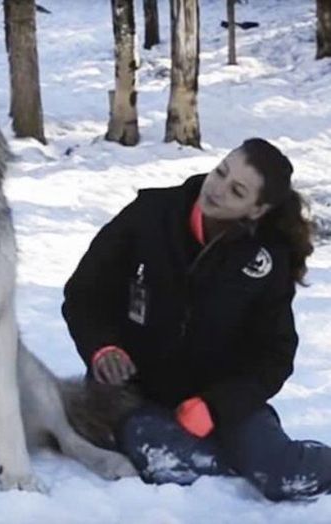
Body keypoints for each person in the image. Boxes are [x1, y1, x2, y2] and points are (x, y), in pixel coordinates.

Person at [61, 138, 331, 501]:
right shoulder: (149, 215)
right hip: (136, 395)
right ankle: (239, 462)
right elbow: (84, 294)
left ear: (255, 210)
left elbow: (274, 355)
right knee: (169, 464)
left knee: (279, 473)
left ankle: (266, 457)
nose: (217, 189)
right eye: (220, 171)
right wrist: (102, 347)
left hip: (221, 399)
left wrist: (217, 407)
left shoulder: (267, 261)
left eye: (236, 190)